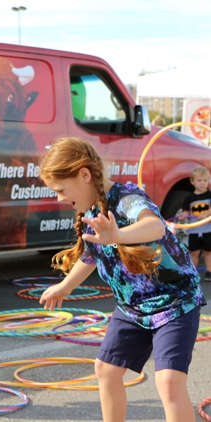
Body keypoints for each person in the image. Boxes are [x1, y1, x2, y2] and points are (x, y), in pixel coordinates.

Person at [38, 137, 205, 422]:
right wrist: (64, 286)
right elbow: (90, 256)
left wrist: (118, 236)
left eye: (61, 190)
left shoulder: (127, 199)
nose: (59, 198)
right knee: (106, 370)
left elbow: (154, 225)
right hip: (132, 309)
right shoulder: (91, 212)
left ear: (84, 175)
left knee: (168, 382)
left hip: (175, 303)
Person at [179, 166, 211, 281]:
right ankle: (193, 273)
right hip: (194, 230)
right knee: (194, 253)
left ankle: (209, 272)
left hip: (208, 230)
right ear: (192, 182)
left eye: (205, 180)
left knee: (208, 252)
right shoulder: (189, 198)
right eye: (199, 180)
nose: (202, 183)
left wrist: (206, 214)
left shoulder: (209, 195)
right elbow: (186, 211)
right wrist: (183, 217)